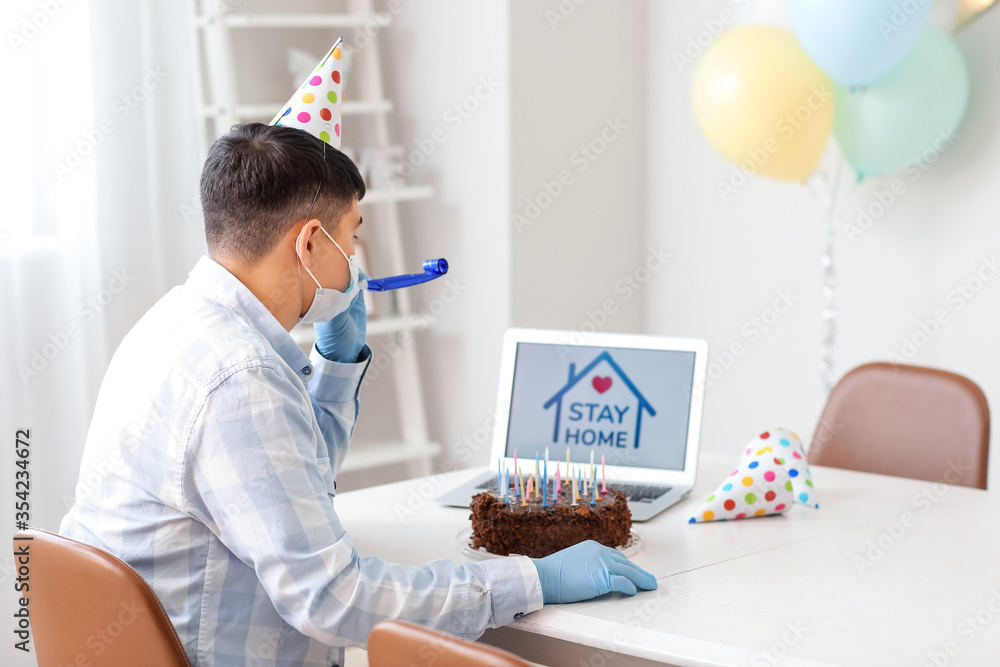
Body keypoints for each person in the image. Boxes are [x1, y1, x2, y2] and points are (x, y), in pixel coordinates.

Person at [59, 123, 657, 667]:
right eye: (353, 237)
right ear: (311, 243)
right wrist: (532, 581)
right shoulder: (241, 376)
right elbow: (332, 600)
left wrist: (337, 365)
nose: (358, 260)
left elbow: (295, 479)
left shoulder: (176, 322)